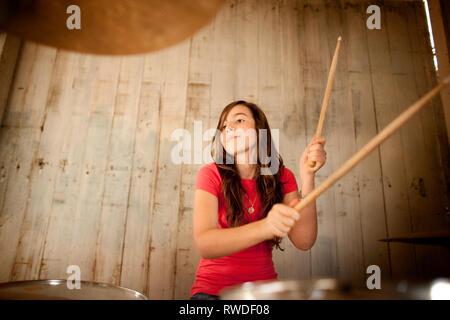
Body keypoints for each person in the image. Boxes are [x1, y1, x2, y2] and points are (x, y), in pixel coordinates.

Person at [190, 100, 326, 300]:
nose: (229, 128)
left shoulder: (283, 177)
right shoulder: (210, 174)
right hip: (212, 293)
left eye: (239, 120)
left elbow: (304, 241)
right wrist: (266, 226)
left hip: (264, 293)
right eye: (224, 126)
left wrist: (307, 176)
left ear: (259, 129)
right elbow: (205, 245)